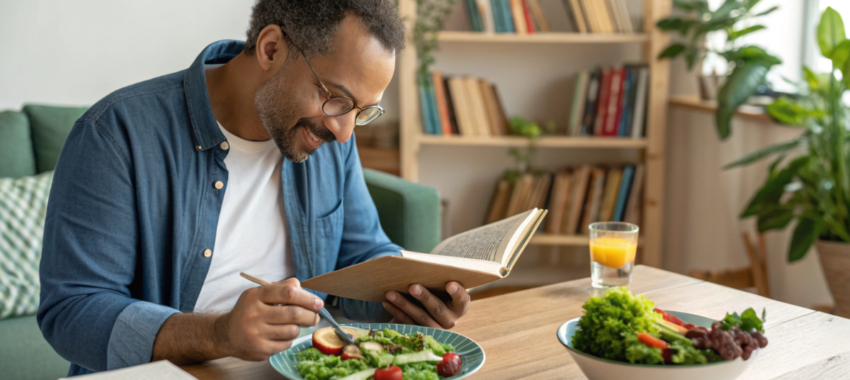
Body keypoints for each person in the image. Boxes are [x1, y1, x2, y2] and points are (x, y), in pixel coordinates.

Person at [37, 0, 470, 376]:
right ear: (271, 48)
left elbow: (360, 256)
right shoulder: (116, 134)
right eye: (336, 98)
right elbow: (72, 311)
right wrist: (219, 334)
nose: (344, 132)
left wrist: (414, 297)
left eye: (362, 111)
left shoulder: (332, 136)